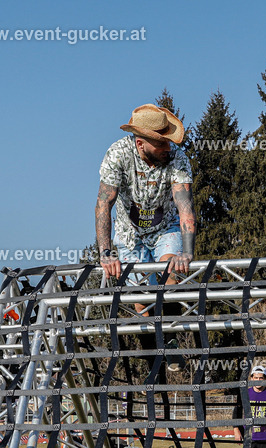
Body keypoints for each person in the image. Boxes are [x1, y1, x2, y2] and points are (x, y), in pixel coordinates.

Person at [96, 103, 196, 371]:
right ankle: (153, 353)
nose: (167, 149)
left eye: (169, 142)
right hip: (130, 234)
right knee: (140, 297)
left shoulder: (177, 158)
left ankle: (171, 341)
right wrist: (106, 252)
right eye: (161, 144)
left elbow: (185, 206)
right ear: (141, 144)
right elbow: (104, 203)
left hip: (166, 228)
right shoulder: (118, 155)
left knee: (170, 271)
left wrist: (186, 251)